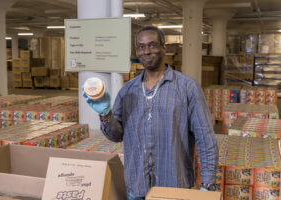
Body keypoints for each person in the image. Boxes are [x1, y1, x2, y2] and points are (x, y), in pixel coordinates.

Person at [83, 26, 218, 199]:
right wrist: (105, 114)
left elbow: (206, 139)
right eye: (141, 46)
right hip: (136, 188)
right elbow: (116, 135)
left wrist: (208, 183)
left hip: (174, 189)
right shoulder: (127, 91)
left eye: (152, 45)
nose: (146, 51)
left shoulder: (187, 88)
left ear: (164, 47)